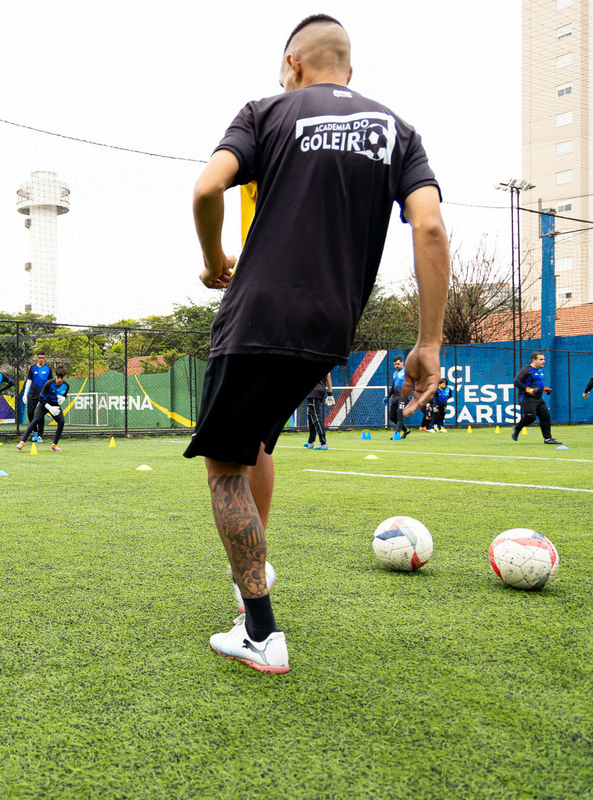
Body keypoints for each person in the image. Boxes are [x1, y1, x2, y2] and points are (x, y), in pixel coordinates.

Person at [186, 14, 448, 673]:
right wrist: (429, 342)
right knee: (256, 443)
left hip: (258, 314)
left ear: (293, 64)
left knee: (223, 469)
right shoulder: (398, 130)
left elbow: (207, 187)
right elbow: (430, 229)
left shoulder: (265, 111)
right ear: (349, 71)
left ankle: (260, 631)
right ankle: (251, 575)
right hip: (331, 326)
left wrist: (215, 258)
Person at [511, 352, 562, 445]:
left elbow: (537, 385)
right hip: (526, 398)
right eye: (541, 359)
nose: (543, 361)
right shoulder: (526, 370)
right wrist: (528, 390)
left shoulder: (540, 371)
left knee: (545, 416)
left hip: (538, 399)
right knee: (531, 417)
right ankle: (517, 429)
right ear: (534, 360)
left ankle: (548, 439)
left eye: (544, 359)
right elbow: (516, 382)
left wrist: (545, 389)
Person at [17, 366, 69, 451]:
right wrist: (49, 408)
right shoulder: (49, 384)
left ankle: (54, 445)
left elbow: (65, 394)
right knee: (36, 420)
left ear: (65, 376)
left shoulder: (66, 386)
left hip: (55, 405)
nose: (60, 380)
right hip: (44, 404)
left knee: (61, 421)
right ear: (55, 375)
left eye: (62, 378)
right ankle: (22, 442)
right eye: (58, 377)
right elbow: (40, 398)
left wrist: (63, 398)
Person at [23, 351, 53, 443]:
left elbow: (51, 382)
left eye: (42, 358)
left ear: (45, 358)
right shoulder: (32, 368)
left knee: (40, 415)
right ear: (37, 357)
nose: (41, 359)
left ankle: (40, 435)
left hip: (43, 396)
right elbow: (29, 381)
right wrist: (25, 394)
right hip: (32, 394)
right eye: (39, 357)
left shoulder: (48, 369)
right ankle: (35, 431)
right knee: (30, 413)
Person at [303, 371, 333, 450]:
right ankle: (310, 442)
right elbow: (328, 376)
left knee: (316, 416)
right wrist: (330, 393)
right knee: (311, 415)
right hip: (320, 391)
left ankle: (323, 443)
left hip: (314, 391)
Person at [385, 356, 411, 439]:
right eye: (395, 364)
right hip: (395, 397)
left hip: (404, 396)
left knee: (399, 414)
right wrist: (387, 396)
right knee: (392, 417)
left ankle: (396, 435)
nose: (396, 366)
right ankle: (406, 430)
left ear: (402, 362)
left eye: (398, 364)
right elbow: (393, 387)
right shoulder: (395, 374)